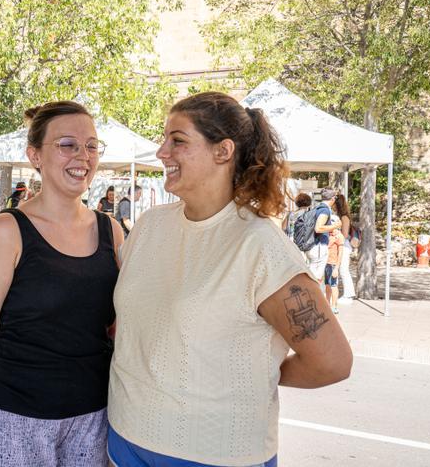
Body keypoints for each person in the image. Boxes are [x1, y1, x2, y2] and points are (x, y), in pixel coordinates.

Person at [108, 92, 352, 467]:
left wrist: (257, 374)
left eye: (178, 140)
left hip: (214, 454)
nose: (161, 152)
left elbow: (331, 361)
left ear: (223, 151)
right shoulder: (150, 226)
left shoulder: (260, 246)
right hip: (125, 438)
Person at [0, 101, 124, 467]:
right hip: (17, 423)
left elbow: (117, 329)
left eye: (91, 145)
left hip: (93, 421)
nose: (83, 156)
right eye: (67, 144)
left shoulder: (111, 231)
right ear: (35, 156)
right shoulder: (7, 232)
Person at [308, 188, 341, 284]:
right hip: (319, 246)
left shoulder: (318, 207)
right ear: (332, 198)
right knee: (316, 278)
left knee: (315, 277)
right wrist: (335, 226)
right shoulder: (325, 210)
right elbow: (318, 228)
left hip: (315, 246)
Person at [333, 193, 356, 301]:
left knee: (343, 270)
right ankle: (348, 294)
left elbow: (345, 234)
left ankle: (349, 294)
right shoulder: (342, 216)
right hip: (341, 245)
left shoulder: (344, 217)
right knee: (342, 269)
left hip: (345, 246)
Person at [324, 226, 345, 314]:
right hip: (325, 262)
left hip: (333, 264)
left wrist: (336, 268)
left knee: (333, 285)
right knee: (327, 285)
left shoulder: (339, 236)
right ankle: (327, 305)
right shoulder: (328, 234)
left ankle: (334, 306)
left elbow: (340, 253)